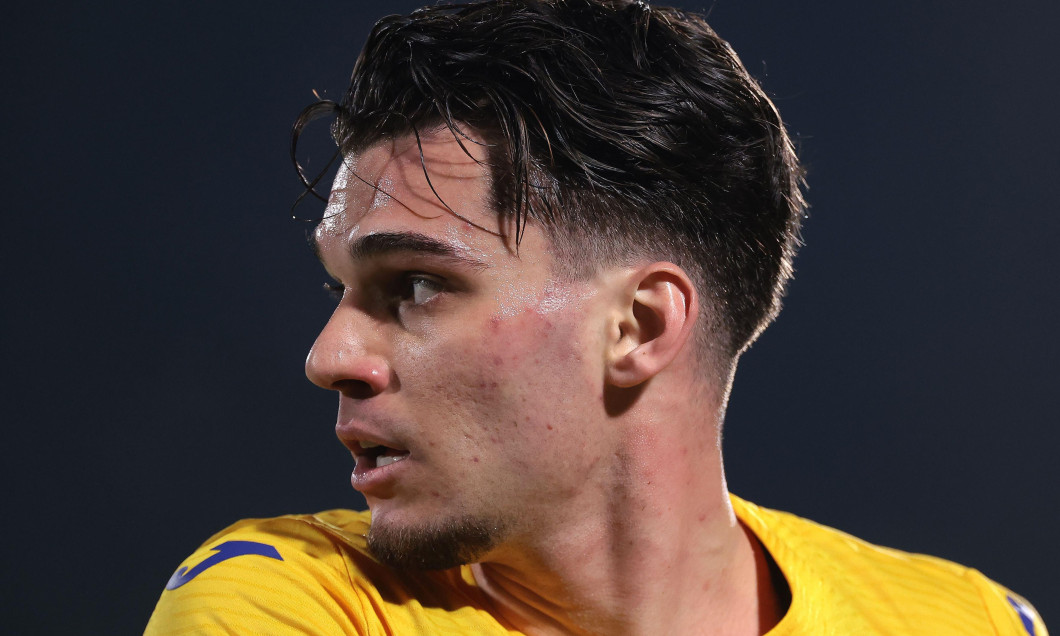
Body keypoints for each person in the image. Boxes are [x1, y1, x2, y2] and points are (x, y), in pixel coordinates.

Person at [146, 1, 1047, 634]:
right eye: (339, 290)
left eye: (416, 285)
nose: (330, 354)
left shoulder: (972, 623)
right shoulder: (290, 609)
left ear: (640, 327)